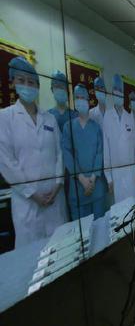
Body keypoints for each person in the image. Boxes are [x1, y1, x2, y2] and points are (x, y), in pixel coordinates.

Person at [0, 56, 67, 247]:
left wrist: (58, 183)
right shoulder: (5, 118)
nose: (27, 86)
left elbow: (59, 154)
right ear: (13, 83)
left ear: (37, 86)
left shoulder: (49, 119)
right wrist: (31, 193)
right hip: (27, 203)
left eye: (31, 82)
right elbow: (6, 162)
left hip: (55, 198)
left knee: (59, 251)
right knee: (32, 257)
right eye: (21, 81)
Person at [62, 85, 107, 220]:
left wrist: (92, 179)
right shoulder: (68, 127)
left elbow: (100, 153)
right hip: (78, 188)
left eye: (83, 97)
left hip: (96, 186)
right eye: (77, 98)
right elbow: (67, 155)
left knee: (100, 229)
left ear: (88, 100)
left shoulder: (96, 127)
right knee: (83, 234)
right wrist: (82, 179)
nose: (80, 100)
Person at [103, 74, 135, 204]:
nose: (117, 93)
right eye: (115, 90)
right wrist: (108, 177)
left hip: (131, 172)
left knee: (134, 204)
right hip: (116, 173)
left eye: (120, 90)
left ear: (123, 93)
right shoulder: (107, 117)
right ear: (112, 92)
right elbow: (106, 149)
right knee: (121, 209)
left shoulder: (129, 117)